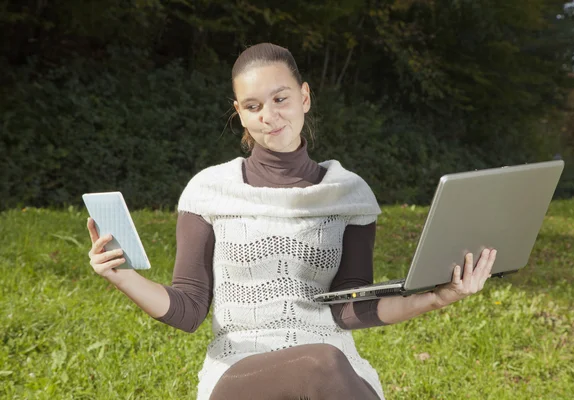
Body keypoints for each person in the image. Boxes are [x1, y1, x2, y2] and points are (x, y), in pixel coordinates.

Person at [86, 43, 497, 400]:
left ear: (304, 97)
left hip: (335, 370)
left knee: (325, 361)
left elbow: (350, 309)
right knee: (320, 361)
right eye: (253, 106)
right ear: (240, 114)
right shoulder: (208, 191)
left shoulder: (349, 193)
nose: (269, 115)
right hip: (240, 372)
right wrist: (122, 276)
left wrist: (441, 296)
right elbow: (189, 309)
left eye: (280, 99)